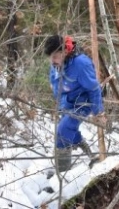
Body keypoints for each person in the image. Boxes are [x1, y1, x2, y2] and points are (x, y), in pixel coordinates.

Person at [44, 35, 105, 171]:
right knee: (67, 129)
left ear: (65, 52)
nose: (52, 61)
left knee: (62, 131)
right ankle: (89, 154)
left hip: (83, 102)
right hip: (67, 103)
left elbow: (94, 88)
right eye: (50, 58)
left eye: (55, 56)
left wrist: (98, 112)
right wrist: (60, 106)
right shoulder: (56, 65)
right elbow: (55, 85)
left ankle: (62, 173)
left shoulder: (80, 64)